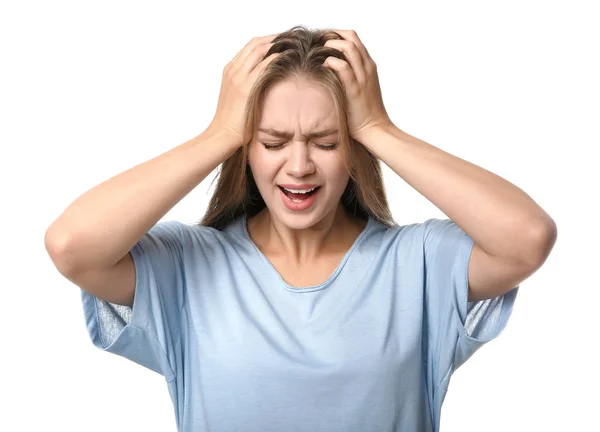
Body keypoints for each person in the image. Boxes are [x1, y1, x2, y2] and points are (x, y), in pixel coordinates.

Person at [45, 25, 557, 432]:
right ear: (244, 152)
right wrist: (220, 132)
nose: (298, 166)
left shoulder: (417, 262)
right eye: (271, 142)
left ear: (356, 153)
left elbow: (527, 237)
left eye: (327, 143)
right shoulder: (187, 266)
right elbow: (72, 246)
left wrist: (379, 127)